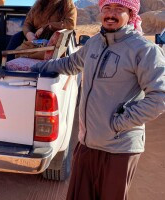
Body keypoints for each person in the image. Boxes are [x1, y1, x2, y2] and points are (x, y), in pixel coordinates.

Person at [31, 0, 165, 199]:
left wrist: (118, 124)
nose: (111, 14)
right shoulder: (94, 43)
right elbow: (70, 63)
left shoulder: (144, 49)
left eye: (118, 9)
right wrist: (34, 67)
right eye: (107, 9)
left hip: (119, 149)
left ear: (131, 13)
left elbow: (159, 97)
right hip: (87, 144)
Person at [6, 0, 77, 60]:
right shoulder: (38, 4)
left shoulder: (66, 3)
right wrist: (29, 34)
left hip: (52, 43)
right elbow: (27, 24)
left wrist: (47, 27)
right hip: (34, 41)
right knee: (16, 38)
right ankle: (3, 70)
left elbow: (70, 24)